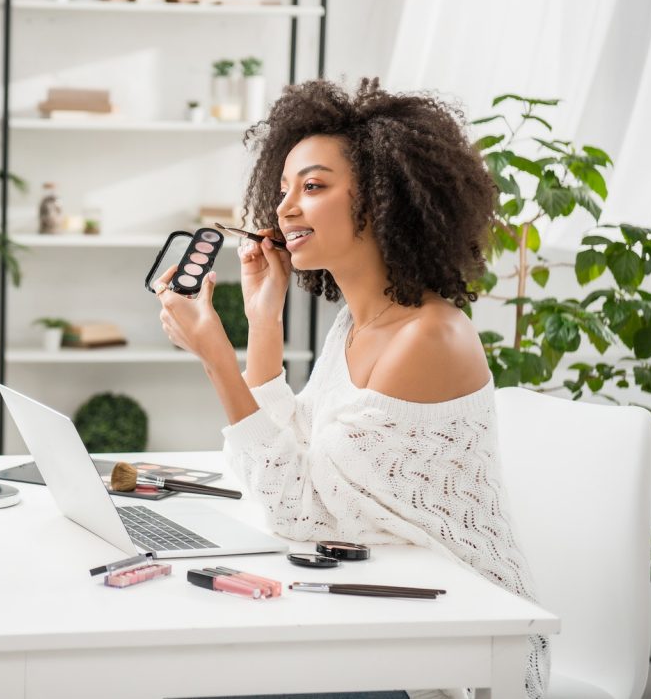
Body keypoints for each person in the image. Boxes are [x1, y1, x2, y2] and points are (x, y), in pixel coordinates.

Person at [154, 78, 549, 699]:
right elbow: (293, 460)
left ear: (382, 200)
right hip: (381, 616)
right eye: (282, 189)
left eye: (312, 186)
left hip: (458, 651)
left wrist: (215, 356)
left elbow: (298, 507)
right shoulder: (356, 325)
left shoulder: (429, 339)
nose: (284, 208)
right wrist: (263, 320)